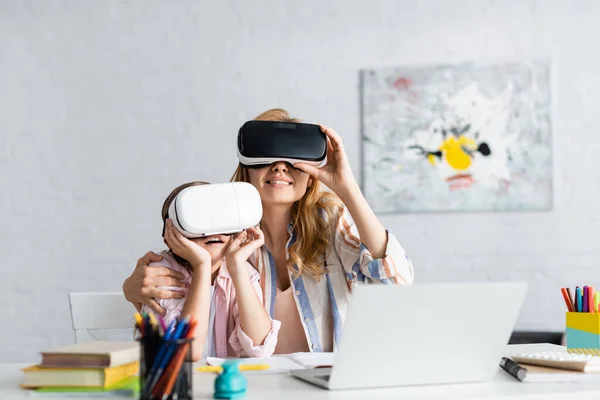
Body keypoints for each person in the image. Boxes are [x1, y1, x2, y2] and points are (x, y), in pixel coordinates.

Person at [124, 109, 414, 354]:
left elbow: (395, 284)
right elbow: (186, 278)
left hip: (329, 383)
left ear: (310, 177)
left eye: (292, 161)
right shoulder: (223, 234)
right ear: (246, 170)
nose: (279, 168)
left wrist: (347, 187)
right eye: (267, 159)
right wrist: (132, 288)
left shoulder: (330, 220)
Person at [141, 181, 280, 361]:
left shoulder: (242, 271)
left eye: (222, 218)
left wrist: (237, 266)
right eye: (197, 220)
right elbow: (186, 353)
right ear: (170, 235)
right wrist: (201, 266)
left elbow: (261, 348)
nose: (214, 231)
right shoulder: (162, 273)